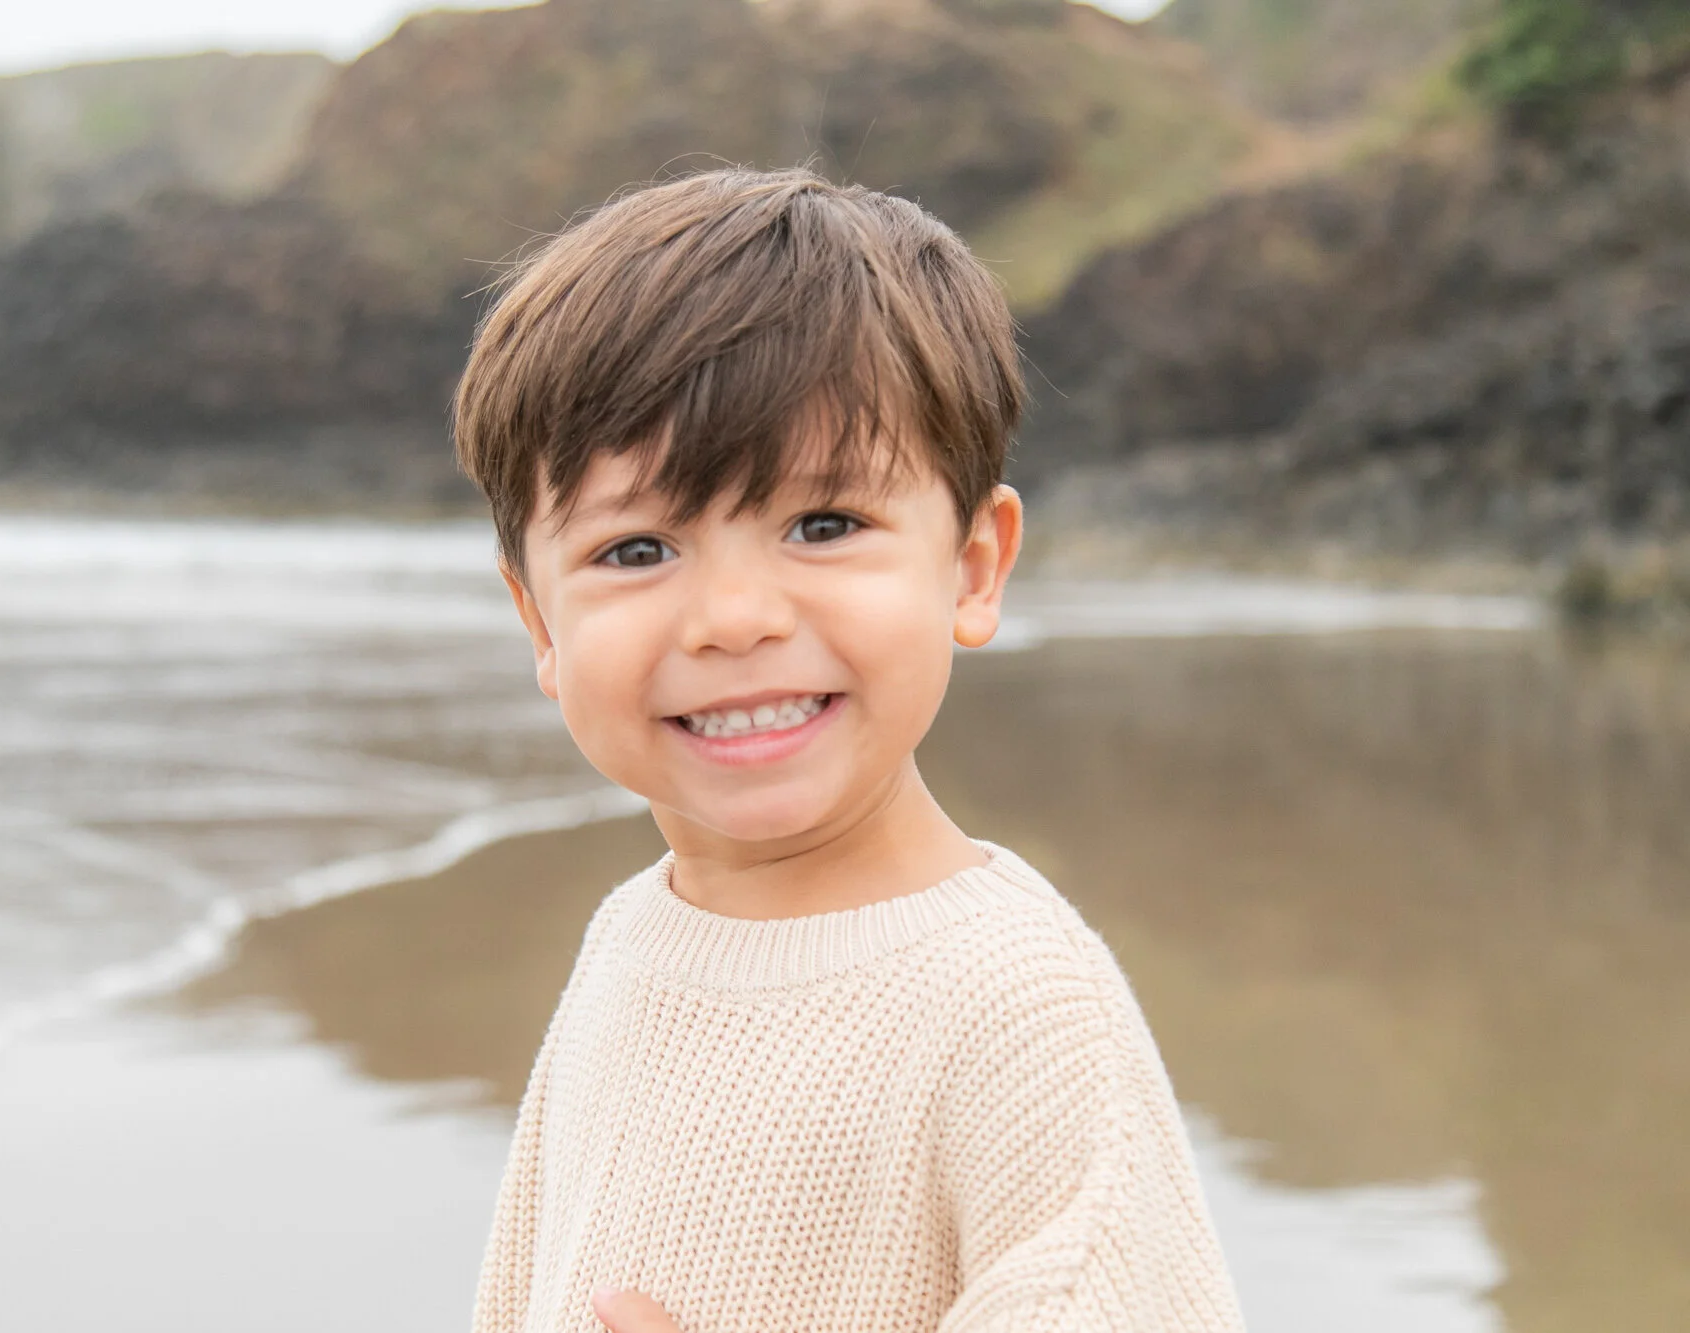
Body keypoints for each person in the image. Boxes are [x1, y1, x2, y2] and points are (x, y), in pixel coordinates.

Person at [450, 167, 1245, 1333]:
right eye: (634, 550)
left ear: (972, 567)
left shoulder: (1016, 1009)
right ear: (538, 623)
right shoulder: (632, 937)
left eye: (823, 526)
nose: (734, 617)